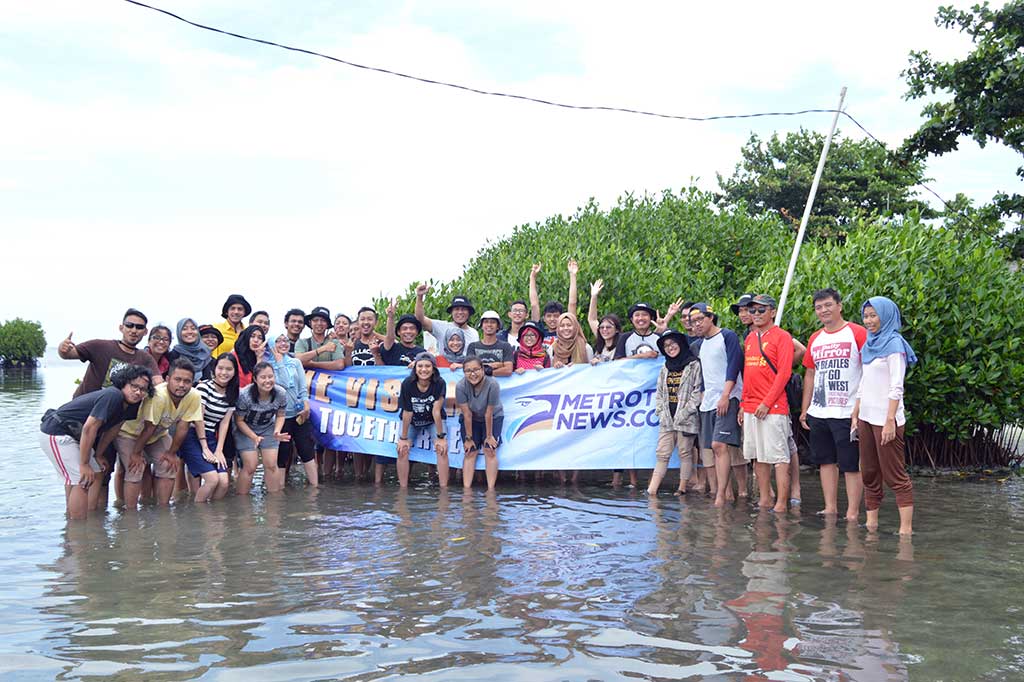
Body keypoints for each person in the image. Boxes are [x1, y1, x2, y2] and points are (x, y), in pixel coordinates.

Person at [39, 366, 154, 519]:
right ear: (123, 383)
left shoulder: (133, 404)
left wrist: (98, 455)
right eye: (134, 386)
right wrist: (84, 464)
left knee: (97, 472)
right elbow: (89, 428)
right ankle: (76, 530)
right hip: (57, 432)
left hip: (75, 436)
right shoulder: (113, 395)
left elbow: (113, 430)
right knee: (81, 479)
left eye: (143, 389)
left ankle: (89, 520)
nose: (138, 392)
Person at [799, 289, 867, 521]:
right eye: (819, 307)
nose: (823, 311)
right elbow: (810, 373)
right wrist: (804, 410)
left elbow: (869, 371)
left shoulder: (857, 333)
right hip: (819, 410)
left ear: (839, 305)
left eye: (828, 305)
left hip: (848, 411)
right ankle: (830, 507)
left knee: (851, 464)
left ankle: (852, 512)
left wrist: (860, 408)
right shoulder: (815, 338)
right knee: (825, 461)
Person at [733, 291, 805, 506]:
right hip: (751, 406)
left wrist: (766, 402)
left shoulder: (782, 336)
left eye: (761, 310)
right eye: (752, 310)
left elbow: (783, 373)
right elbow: (748, 374)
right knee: (757, 457)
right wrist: (744, 405)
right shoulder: (750, 338)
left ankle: (782, 503)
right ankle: (765, 500)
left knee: (780, 457)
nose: (756, 313)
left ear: (772, 312)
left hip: (773, 407)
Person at [853, 296, 916, 535]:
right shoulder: (869, 344)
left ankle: (905, 531)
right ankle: (871, 525)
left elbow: (896, 386)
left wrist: (890, 420)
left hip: (886, 419)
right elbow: (863, 382)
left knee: (895, 475)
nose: (868, 321)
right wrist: (855, 412)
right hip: (866, 418)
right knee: (869, 472)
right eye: (866, 316)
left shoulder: (894, 344)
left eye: (873, 315)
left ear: (886, 316)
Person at [116, 358, 204, 509]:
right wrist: (136, 453)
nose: (182, 385)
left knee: (168, 466)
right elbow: (148, 428)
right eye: (177, 380)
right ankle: (130, 514)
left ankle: (163, 510)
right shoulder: (159, 395)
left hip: (158, 435)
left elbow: (183, 427)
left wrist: (172, 452)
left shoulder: (194, 396)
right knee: (135, 469)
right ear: (168, 379)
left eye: (187, 381)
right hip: (130, 433)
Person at [689, 303, 748, 507]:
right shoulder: (699, 345)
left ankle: (721, 495)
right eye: (693, 321)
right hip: (709, 401)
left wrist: (726, 395)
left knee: (719, 445)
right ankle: (727, 493)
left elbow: (734, 365)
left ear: (711, 317)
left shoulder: (727, 336)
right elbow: (706, 372)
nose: (696, 324)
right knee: (714, 449)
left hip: (728, 397)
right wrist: (705, 394)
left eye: (699, 319)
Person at [58, 307, 162, 397]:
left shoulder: (146, 358)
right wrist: (62, 349)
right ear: (121, 328)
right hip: (83, 408)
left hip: (114, 414)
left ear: (145, 332)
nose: (134, 330)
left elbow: (158, 382)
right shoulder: (99, 346)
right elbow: (68, 354)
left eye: (139, 327)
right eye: (129, 325)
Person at [647, 330, 702, 495]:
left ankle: (682, 488)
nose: (670, 348)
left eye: (672, 344)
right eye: (666, 346)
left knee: (685, 452)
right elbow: (659, 393)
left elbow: (697, 392)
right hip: (667, 418)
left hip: (687, 417)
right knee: (662, 453)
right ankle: (652, 490)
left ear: (681, 343)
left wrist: (685, 412)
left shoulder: (694, 364)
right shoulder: (665, 366)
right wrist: (661, 412)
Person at [181, 353, 238, 502]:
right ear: (214, 368)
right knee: (212, 480)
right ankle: (199, 515)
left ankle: (213, 518)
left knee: (224, 482)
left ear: (234, 372)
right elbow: (198, 419)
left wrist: (219, 450)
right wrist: (205, 448)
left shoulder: (232, 393)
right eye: (221, 368)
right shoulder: (204, 387)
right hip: (192, 435)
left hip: (211, 435)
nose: (224, 373)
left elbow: (225, 423)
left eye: (229, 369)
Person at [234, 362, 290, 496]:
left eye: (270, 377)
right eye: (263, 377)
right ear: (255, 379)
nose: (267, 381)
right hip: (245, 428)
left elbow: (281, 415)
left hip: (267, 427)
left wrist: (277, 430)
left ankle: (274, 502)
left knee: (271, 464)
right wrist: (254, 437)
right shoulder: (245, 395)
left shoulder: (280, 393)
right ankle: (242, 500)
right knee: (250, 465)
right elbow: (239, 421)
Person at [270, 334, 318, 490]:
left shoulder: (295, 362)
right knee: (283, 452)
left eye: (285, 340)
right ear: (271, 345)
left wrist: (306, 405)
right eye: (278, 340)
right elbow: (283, 383)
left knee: (306, 449)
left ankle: (315, 488)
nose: (283, 343)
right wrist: (279, 362)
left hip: (298, 413)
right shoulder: (268, 365)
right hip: (280, 416)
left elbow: (302, 388)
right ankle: (280, 490)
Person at [396, 353, 449, 489]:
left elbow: (436, 411)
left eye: (427, 366)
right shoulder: (408, 383)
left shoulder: (440, 383)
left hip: (432, 420)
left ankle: (444, 489)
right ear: (415, 368)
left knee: (441, 449)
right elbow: (407, 412)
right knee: (402, 449)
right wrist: (403, 438)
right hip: (412, 419)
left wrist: (440, 437)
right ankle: (403, 489)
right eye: (420, 366)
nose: (423, 370)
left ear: (433, 368)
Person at [456, 356, 503, 490]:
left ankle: (491, 489)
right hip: (472, 417)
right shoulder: (460, 386)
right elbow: (467, 414)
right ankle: (466, 490)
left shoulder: (492, 384)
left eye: (476, 369)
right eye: (468, 371)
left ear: (482, 369)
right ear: (464, 372)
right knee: (470, 451)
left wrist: (489, 436)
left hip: (493, 416)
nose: (473, 374)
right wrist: (469, 438)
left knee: (490, 449)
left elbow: (489, 412)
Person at [529, 260, 579, 347]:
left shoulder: (566, 331)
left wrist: (573, 275)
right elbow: (534, 305)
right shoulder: (540, 331)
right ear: (544, 318)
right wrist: (532, 277)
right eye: (549, 316)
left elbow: (572, 303)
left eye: (556, 316)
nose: (552, 319)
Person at [415, 284, 480, 348]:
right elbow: (420, 319)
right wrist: (419, 297)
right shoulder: (442, 327)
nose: (460, 312)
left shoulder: (474, 333)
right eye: (456, 309)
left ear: (469, 313)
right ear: (451, 313)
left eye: (463, 309)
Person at [467, 311, 514, 376]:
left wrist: (485, 371)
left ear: (498, 326)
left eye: (493, 322)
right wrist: (498, 365)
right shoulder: (473, 346)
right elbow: (470, 368)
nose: (489, 325)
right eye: (486, 322)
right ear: (481, 326)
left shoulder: (505, 346)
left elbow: (508, 370)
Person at [381, 302, 427, 367]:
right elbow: (390, 336)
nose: (408, 331)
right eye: (404, 328)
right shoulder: (391, 348)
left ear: (417, 332)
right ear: (398, 332)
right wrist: (391, 317)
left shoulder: (422, 352)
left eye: (412, 328)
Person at [168, 318, 213, 382]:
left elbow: (208, 378)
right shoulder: (174, 354)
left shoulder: (205, 352)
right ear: (179, 332)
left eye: (193, 328)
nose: (189, 332)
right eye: (184, 329)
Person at [587, 279, 621, 363]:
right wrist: (594, 296)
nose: (604, 330)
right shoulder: (601, 342)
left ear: (616, 329)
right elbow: (592, 319)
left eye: (609, 327)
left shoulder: (622, 345)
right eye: (602, 327)